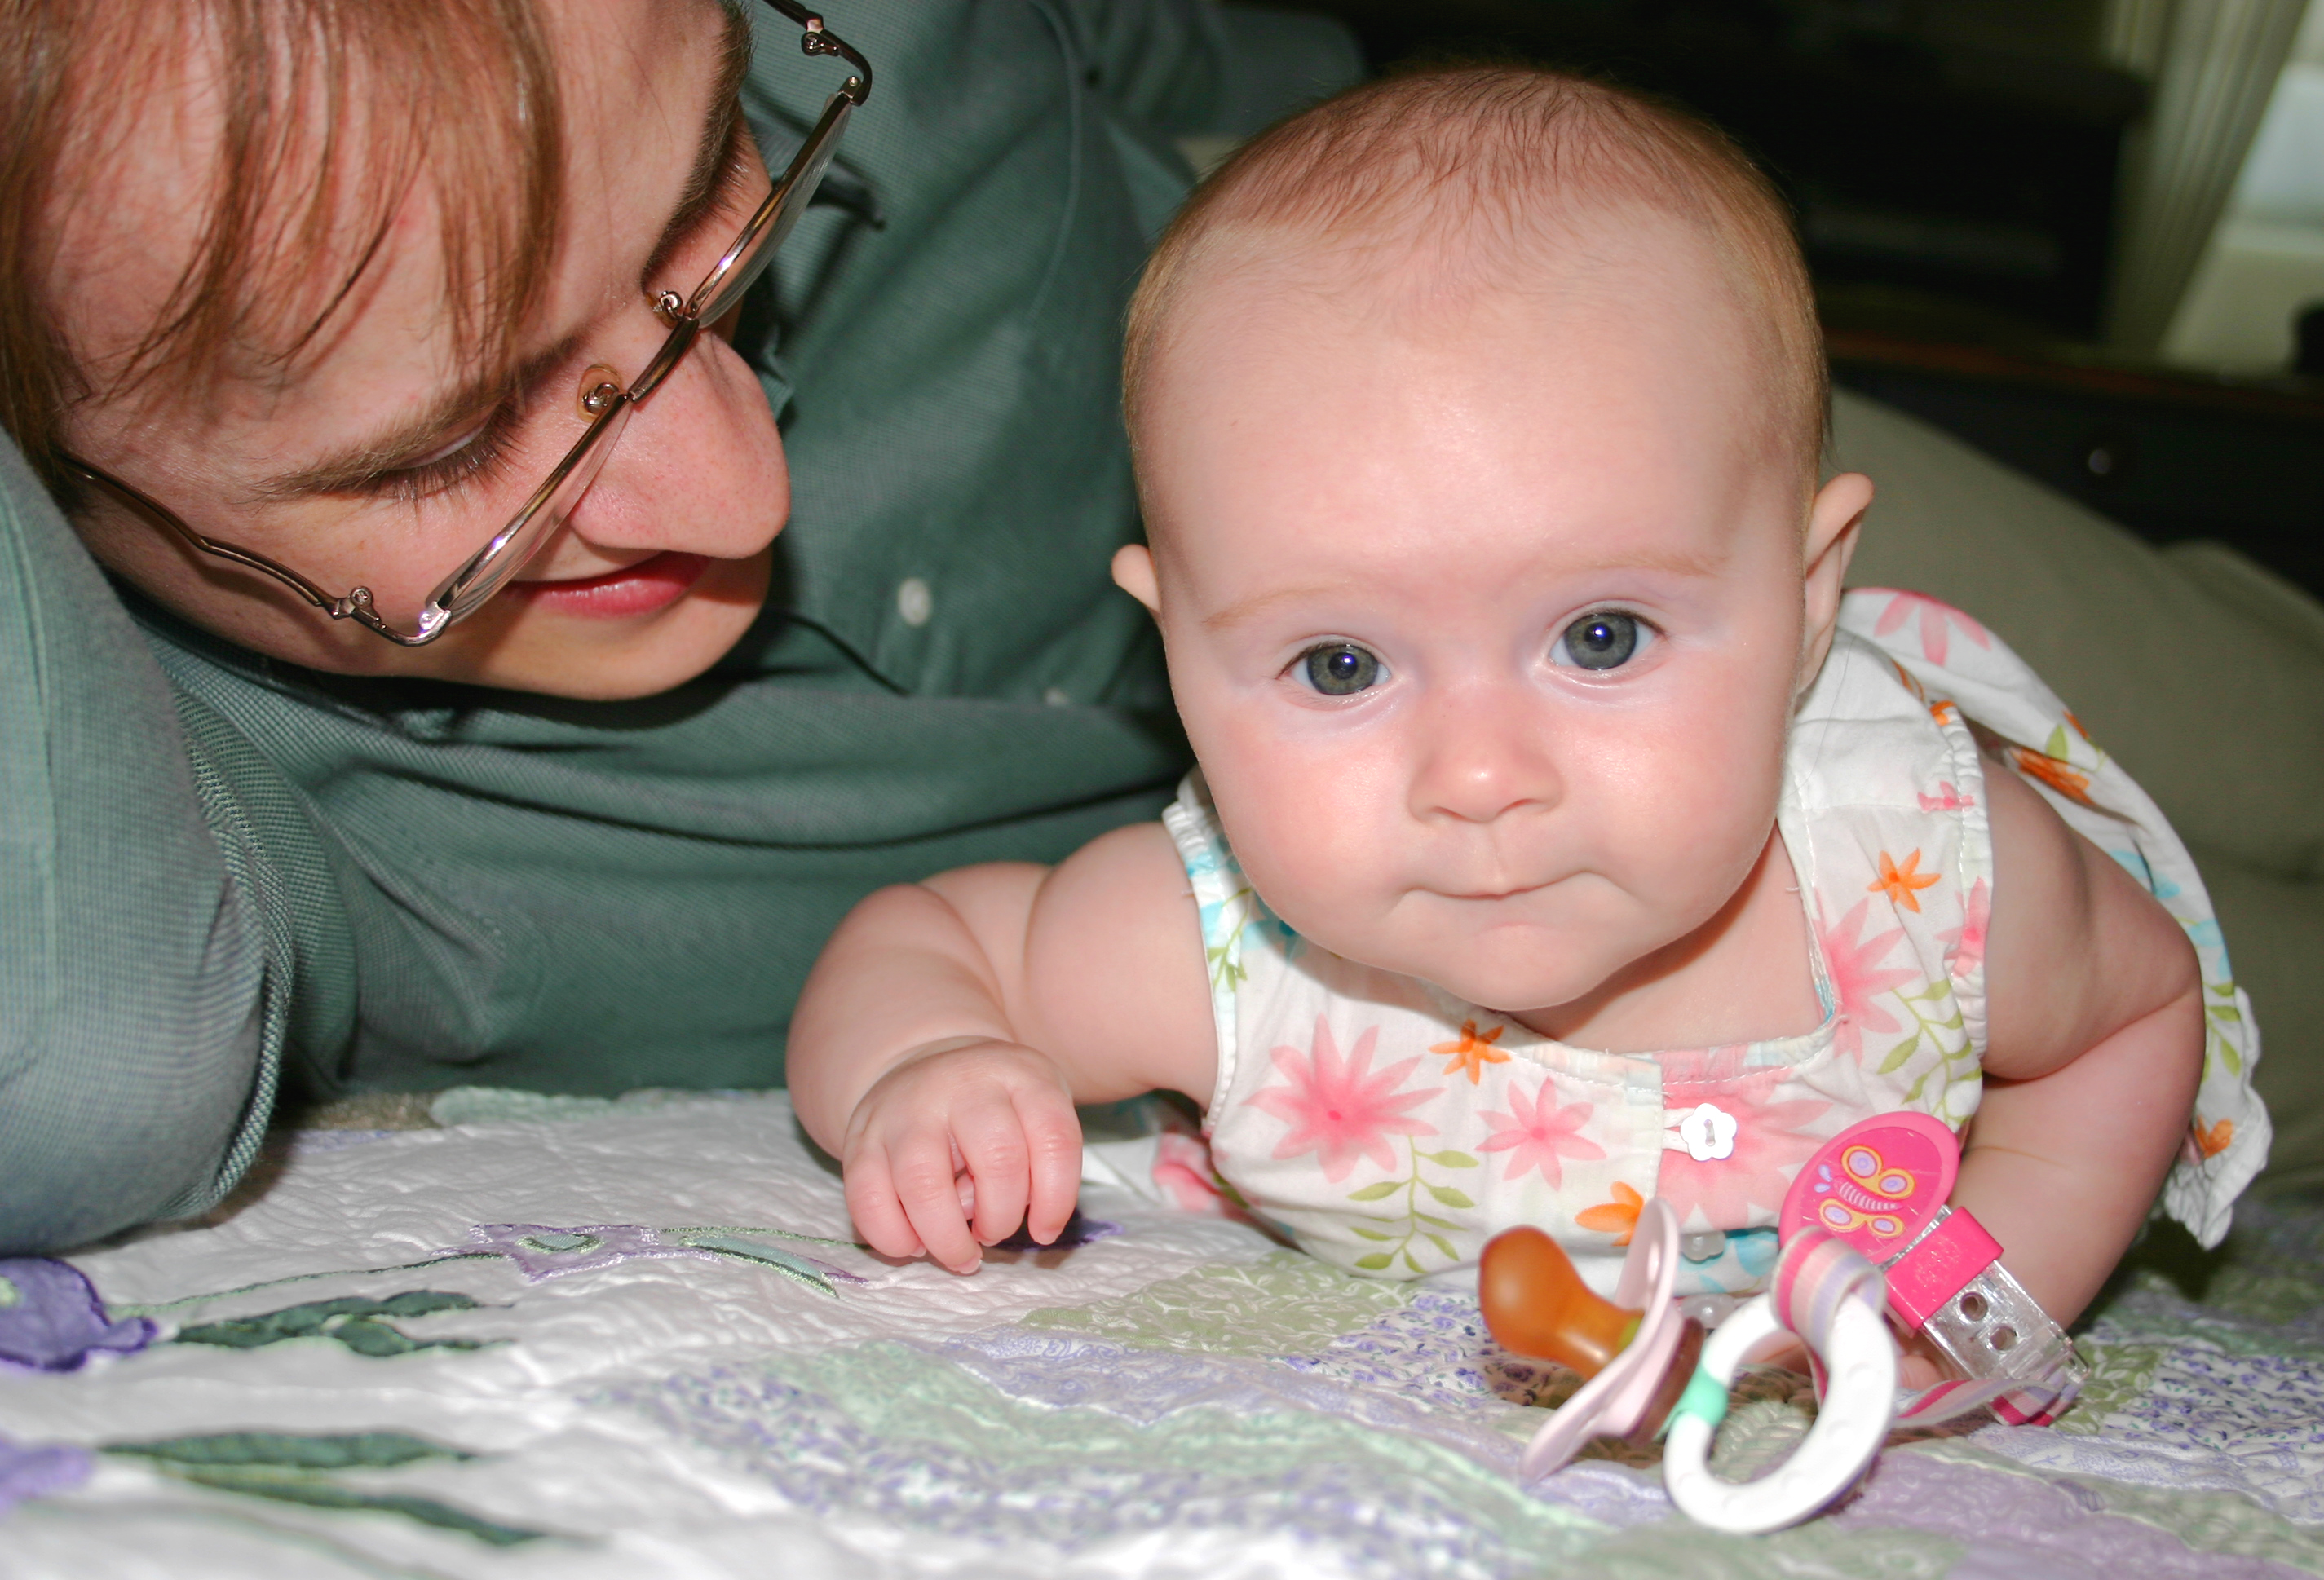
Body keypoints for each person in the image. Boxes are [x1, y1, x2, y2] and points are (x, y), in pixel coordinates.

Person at [788, 68, 2268, 1348]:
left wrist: (1974, 1302)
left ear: (1807, 597)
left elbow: (2137, 1012)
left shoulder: (1932, 877)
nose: (1481, 775)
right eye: (1341, 665)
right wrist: (923, 1064)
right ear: (1175, 650)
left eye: (1599, 637)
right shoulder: (1223, 957)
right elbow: (928, 937)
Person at [0, 0, 1363, 1255]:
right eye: (445, 449)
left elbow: (1307, 87)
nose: (738, 491)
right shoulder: (207, 818)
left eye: (709, 185)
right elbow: (76, 1081)